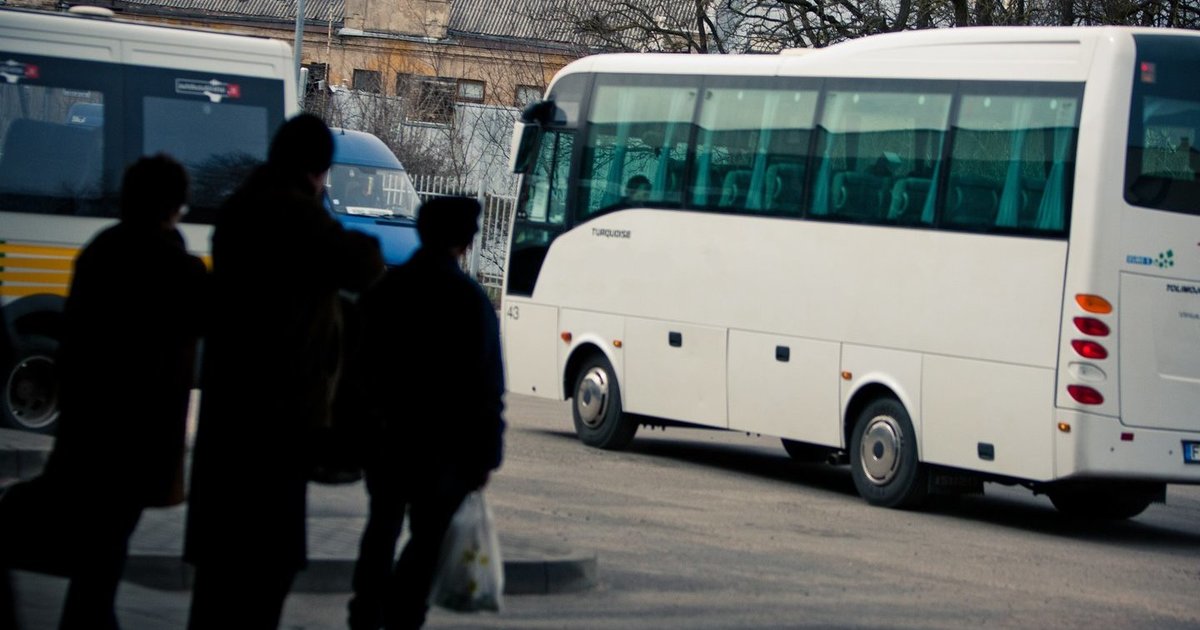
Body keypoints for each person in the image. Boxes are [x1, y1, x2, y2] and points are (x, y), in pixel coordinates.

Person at [184, 114, 384, 629]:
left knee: (214, 585)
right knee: (263, 578)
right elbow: (363, 263)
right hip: (278, 423)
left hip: (228, 414)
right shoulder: (294, 214)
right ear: (318, 170)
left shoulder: (238, 210)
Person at [0, 154, 206, 629]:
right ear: (174, 206)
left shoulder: (101, 250)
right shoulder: (175, 266)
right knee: (106, 551)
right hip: (139, 436)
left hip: (90, 427)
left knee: (100, 550)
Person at [346, 196, 506, 630]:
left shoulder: (386, 292)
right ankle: (403, 610)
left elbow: (357, 367)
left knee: (382, 524)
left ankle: (365, 607)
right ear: (466, 243)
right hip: (444, 449)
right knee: (427, 537)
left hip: (388, 438)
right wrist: (487, 455)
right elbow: (488, 388)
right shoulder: (470, 302)